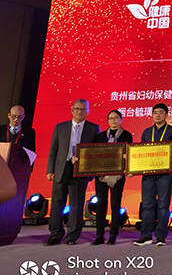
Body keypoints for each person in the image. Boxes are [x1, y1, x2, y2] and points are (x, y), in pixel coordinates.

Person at [45, 99, 100, 245]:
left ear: (88, 111)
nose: (79, 111)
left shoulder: (94, 128)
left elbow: (95, 152)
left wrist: (91, 172)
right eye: (77, 109)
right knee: (57, 203)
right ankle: (55, 234)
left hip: (80, 171)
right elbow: (53, 149)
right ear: (72, 110)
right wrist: (50, 170)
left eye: (83, 109)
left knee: (76, 204)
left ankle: (72, 236)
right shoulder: (60, 127)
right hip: (61, 168)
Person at [133, 103, 172, 247]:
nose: (158, 115)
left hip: (165, 174)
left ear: (166, 115)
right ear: (152, 115)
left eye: (161, 112)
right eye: (155, 112)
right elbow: (141, 152)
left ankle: (160, 236)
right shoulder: (147, 132)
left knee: (163, 206)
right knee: (147, 205)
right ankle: (145, 235)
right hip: (148, 174)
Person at [91, 110, 133, 246]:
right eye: (110, 118)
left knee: (115, 205)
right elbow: (94, 154)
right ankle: (99, 235)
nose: (113, 120)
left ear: (121, 119)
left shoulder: (126, 135)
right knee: (100, 204)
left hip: (118, 175)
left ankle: (113, 234)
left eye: (116, 118)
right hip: (101, 175)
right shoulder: (101, 136)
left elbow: (130, 153)